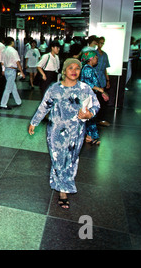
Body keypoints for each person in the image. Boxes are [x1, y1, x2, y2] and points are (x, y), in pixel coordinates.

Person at [28, 58, 100, 209]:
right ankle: (63, 191)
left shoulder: (85, 88)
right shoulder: (54, 88)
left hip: (76, 132)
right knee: (57, 158)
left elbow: (95, 106)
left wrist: (89, 115)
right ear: (64, 71)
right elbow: (44, 107)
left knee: (71, 160)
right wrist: (34, 122)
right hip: (55, 131)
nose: (74, 71)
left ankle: (63, 185)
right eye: (70, 68)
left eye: (77, 68)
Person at [80, 50, 107, 145]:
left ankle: (89, 136)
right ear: (90, 59)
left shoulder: (90, 68)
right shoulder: (87, 69)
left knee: (91, 117)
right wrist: (100, 90)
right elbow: (88, 83)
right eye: (95, 57)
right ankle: (90, 136)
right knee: (90, 116)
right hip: (88, 96)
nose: (97, 59)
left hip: (91, 95)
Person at [0, 37, 25, 109]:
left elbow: (2, 62)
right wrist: (22, 72)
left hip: (7, 70)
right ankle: (3, 104)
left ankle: (18, 101)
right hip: (12, 71)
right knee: (8, 88)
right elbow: (18, 62)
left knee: (13, 87)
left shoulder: (4, 50)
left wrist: (3, 70)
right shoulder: (13, 51)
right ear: (12, 42)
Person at [94, 36, 111, 127]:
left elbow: (105, 69)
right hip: (94, 79)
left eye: (103, 43)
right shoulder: (93, 53)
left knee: (102, 100)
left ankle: (100, 119)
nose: (101, 44)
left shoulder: (105, 55)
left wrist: (107, 80)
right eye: (100, 42)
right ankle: (93, 119)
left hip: (102, 79)